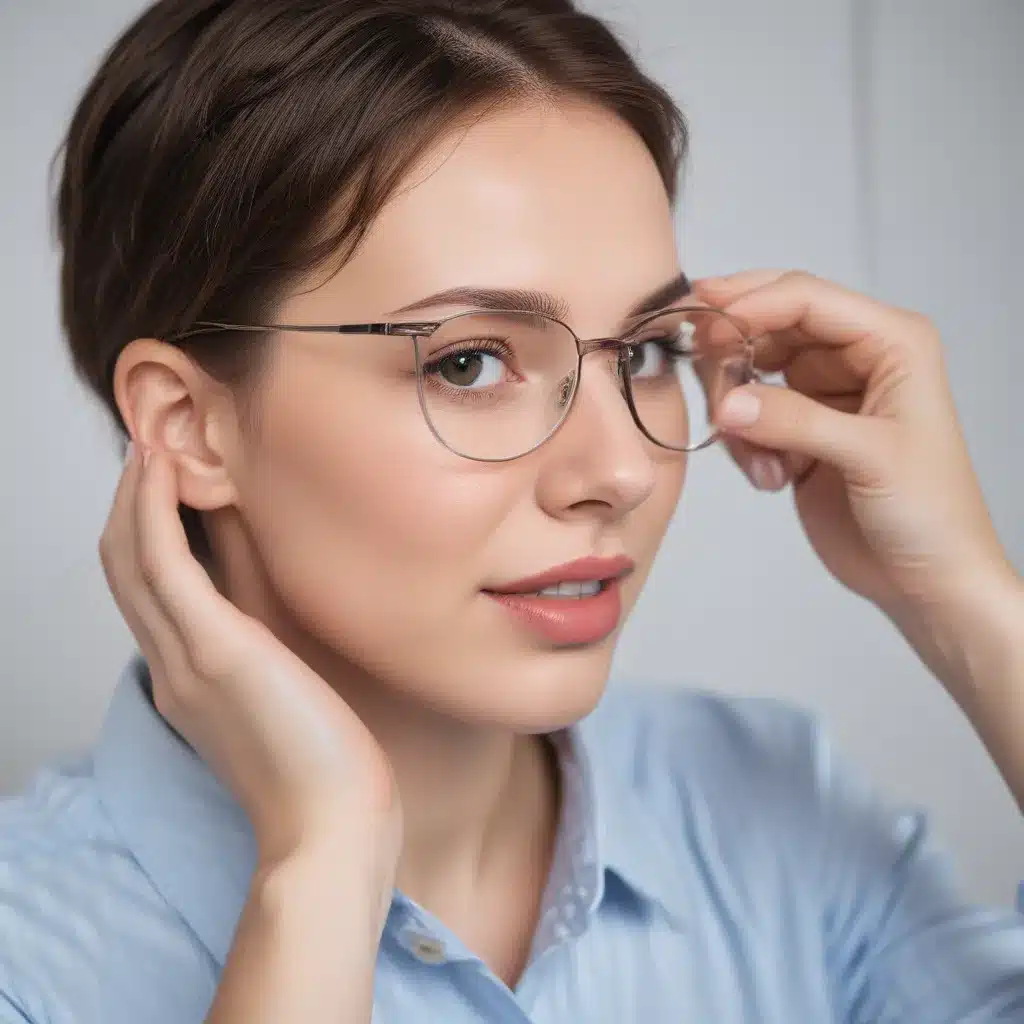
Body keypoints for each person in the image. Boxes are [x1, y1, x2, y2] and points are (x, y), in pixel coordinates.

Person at [2, 0, 1023, 1020]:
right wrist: (320, 865)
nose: (619, 468)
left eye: (647, 350)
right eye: (469, 360)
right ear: (187, 425)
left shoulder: (772, 809)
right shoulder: (29, 955)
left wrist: (970, 602)